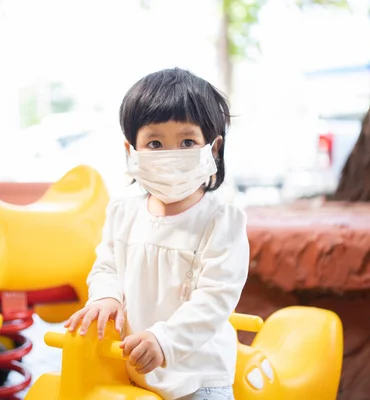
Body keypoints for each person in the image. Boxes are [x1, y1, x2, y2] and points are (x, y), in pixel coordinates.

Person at [64, 68, 249, 400]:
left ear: (214, 149)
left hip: (198, 378)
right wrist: (105, 296)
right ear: (131, 150)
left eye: (187, 142)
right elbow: (106, 268)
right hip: (134, 370)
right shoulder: (122, 213)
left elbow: (215, 298)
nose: (170, 155)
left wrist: (166, 340)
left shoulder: (222, 220)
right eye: (155, 143)